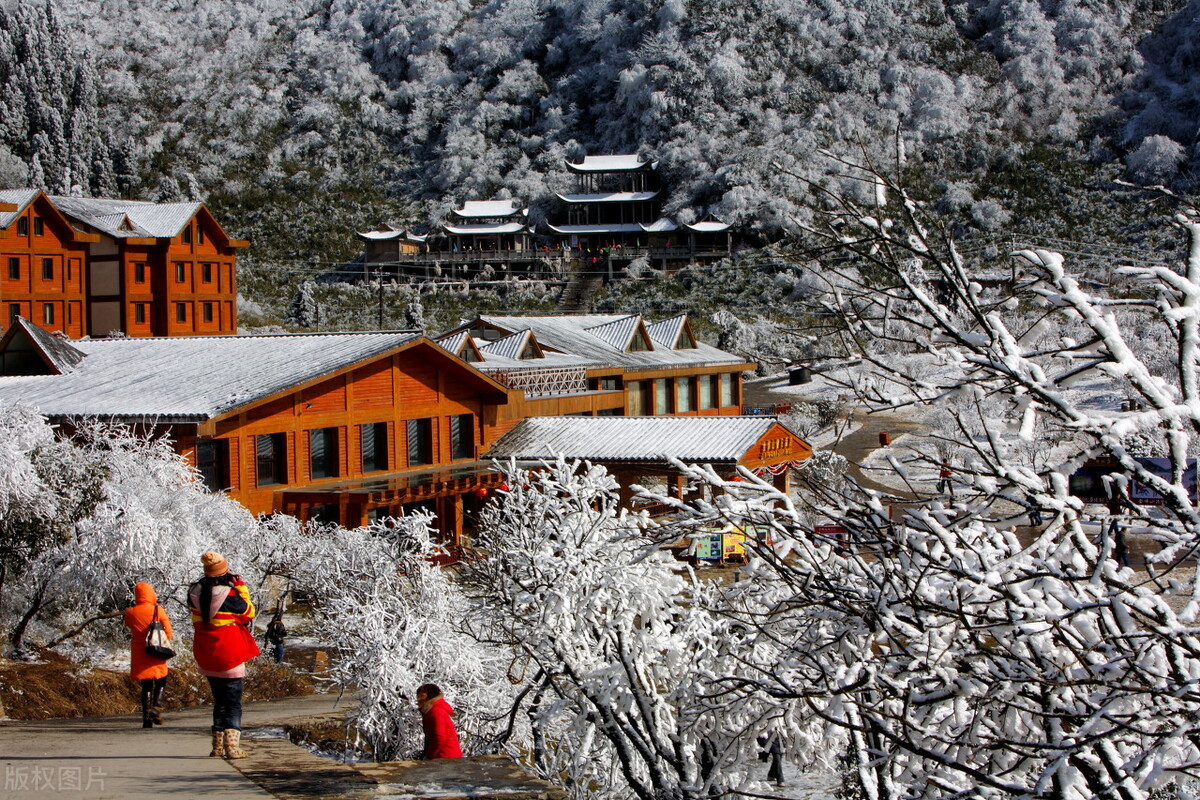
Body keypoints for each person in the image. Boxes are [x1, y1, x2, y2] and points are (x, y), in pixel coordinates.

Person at [189, 551, 259, 759]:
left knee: (219, 700)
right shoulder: (227, 595)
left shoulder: (194, 592)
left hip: (206, 652)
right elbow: (249, 612)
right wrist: (241, 588)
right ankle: (232, 747)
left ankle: (217, 747)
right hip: (228, 653)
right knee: (233, 702)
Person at [123, 582, 173, 729]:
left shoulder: (130, 612)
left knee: (146, 685)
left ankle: (146, 719)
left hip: (140, 651)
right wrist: (163, 642)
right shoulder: (158, 610)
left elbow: (128, 625)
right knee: (161, 679)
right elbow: (168, 631)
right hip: (156, 649)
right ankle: (156, 707)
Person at [416, 683, 462, 759]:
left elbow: (439, 737)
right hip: (445, 755)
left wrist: (431, 756)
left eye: (422, 696)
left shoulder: (436, 711)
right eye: (418, 696)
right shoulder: (431, 710)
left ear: (430, 695)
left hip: (444, 756)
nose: (418, 699)